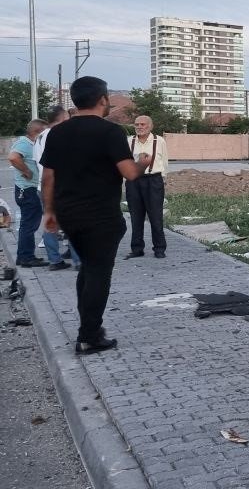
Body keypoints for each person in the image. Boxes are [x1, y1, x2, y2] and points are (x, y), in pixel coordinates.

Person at [40, 76, 145, 355]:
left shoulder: (57, 133)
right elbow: (130, 173)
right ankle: (89, 336)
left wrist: (49, 211)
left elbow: (48, 178)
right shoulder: (110, 132)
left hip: (69, 215)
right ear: (102, 99)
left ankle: (90, 330)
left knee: (87, 269)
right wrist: (143, 163)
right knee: (98, 273)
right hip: (100, 216)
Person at [35, 106, 80, 271]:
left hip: (43, 186)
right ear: (62, 118)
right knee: (74, 222)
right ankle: (78, 260)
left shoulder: (40, 136)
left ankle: (54, 260)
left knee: (50, 222)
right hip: (61, 186)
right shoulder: (60, 135)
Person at [125, 115, 169, 259]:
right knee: (136, 216)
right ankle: (137, 248)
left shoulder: (159, 141)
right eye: (137, 124)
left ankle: (159, 248)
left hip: (153, 180)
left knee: (156, 216)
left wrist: (163, 179)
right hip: (134, 181)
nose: (139, 127)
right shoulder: (130, 141)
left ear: (150, 126)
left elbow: (164, 161)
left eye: (142, 124)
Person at [8, 118, 48, 267]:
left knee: (29, 223)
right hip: (26, 190)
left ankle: (24, 256)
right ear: (38, 131)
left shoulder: (31, 144)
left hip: (27, 189)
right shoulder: (24, 143)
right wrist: (27, 171)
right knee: (29, 224)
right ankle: (26, 257)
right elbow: (13, 157)